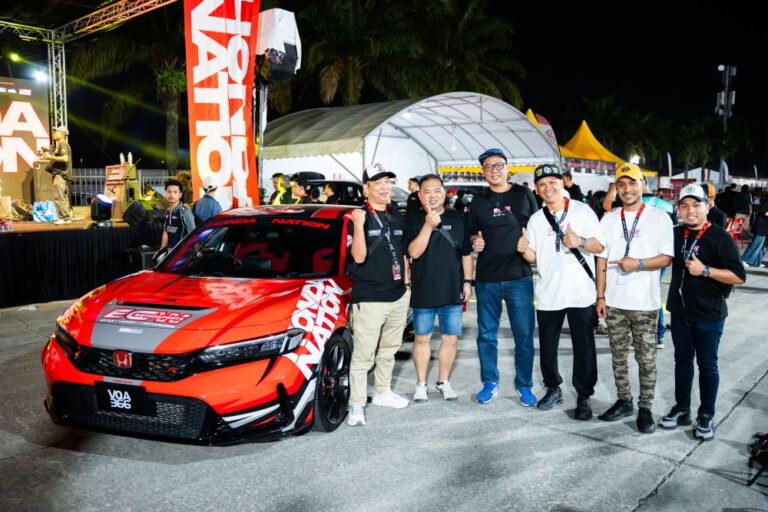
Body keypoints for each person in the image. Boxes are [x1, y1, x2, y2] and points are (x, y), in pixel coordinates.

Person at [517, 164, 605, 420]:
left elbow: (600, 246)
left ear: (562, 183)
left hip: (580, 293)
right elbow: (534, 257)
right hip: (549, 294)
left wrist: (580, 241)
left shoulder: (582, 210)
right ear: (536, 189)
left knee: (584, 347)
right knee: (547, 347)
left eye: (553, 182)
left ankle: (584, 396)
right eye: (542, 184)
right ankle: (553, 388)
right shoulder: (536, 219)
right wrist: (523, 249)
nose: (548, 188)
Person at [659, 184, 746, 440]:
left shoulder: (720, 237)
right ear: (678, 209)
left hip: (709, 314)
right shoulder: (675, 234)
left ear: (707, 206)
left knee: (707, 365)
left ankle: (706, 414)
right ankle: (682, 408)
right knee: (682, 362)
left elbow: (739, 276)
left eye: (696, 205)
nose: (690, 211)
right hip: (680, 312)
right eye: (684, 205)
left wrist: (705, 270)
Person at [595, 163, 674, 433]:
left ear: (643, 185)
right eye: (621, 184)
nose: (627, 189)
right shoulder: (609, 219)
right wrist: (600, 296)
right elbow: (602, 259)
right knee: (618, 356)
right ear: (616, 188)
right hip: (614, 302)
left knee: (646, 359)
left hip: (644, 304)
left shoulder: (659, 218)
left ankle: (645, 408)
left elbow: (666, 258)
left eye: (632, 183)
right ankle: (624, 400)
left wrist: (638, 263)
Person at [467, 148, 539, 407]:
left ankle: (525, 386)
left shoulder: (524, 195)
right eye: (488, 167)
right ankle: (490, 382)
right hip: (487, 278)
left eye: (498, 165)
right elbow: (470, 233)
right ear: (483, 173)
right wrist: (475, 241)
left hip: (519, 276)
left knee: (524, 335)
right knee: (487, 335)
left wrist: (530, 246)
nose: (494, 170)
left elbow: (538, 227)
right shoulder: (478, 201)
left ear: (508, 168)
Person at [346, 163, 411, 426]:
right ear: (366, 189)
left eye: (387, 182)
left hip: (398, 295)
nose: (385, 187)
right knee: (364, 355)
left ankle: (383, 391)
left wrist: (406, 283)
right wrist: (359, 225)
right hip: (370, 298)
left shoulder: (397, 215)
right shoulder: (358, 217)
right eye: (378, 182)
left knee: (389, 350)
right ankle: (356, 404)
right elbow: (359, 257)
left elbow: (402, 252)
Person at [406, 175, 474, 402]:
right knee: (422, 338)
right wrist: (428, 224)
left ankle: (443, 382)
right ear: (419, 195)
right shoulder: (414, 219)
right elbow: (414, 252)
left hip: (452, 289)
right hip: (424, 290)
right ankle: (421, 384)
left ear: (445, 193)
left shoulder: (457, 218)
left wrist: (468, 282)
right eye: (427, 191)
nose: (432, 195)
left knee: (450, 338)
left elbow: (466, 253)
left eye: (437, 190)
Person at [44, 126, 73, 224]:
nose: (54, 133)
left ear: (61, 134)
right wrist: (49, 154)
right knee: (62, 197)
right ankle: (66, 218)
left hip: (61, 174)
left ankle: (64, 218)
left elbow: (65, 158)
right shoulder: (61, 145)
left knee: (59, 197)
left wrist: (50, 157)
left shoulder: (63, 144)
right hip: (60, 174)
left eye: (56, 131)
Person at [158, 178, 195, 254]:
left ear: (180, 195)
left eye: (175, 192)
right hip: (171, 254)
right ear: (166, 193)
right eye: (169, 192)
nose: (172, 195)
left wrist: (197, 252)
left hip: (183, 254)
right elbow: (166, 232)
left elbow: (194, 233)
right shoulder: (167, 211)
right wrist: (161, 251)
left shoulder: (185, 212)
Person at [742, 190, 768, 267]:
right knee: (755, 244)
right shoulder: (766, 201)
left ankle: (756, 262)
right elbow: (763, 211)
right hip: (762, 226)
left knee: (764, 246)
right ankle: (744, 259)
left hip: (765, 227)